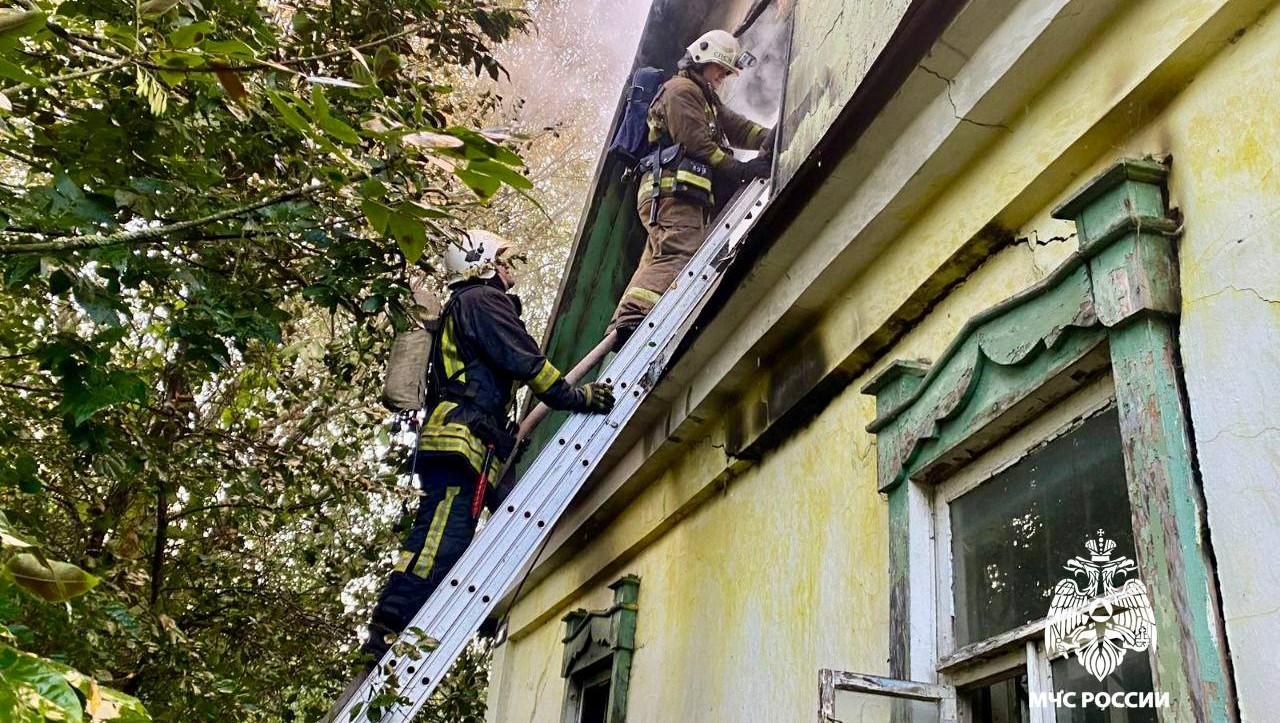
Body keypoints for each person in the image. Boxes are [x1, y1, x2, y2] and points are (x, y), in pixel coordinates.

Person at [360, 229, 615, 665]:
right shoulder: (482, 301)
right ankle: (390, 626)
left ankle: (473, 608)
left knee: (488, 523)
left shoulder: (468, 304)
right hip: (461, 440)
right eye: (502, 261)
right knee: (441, 535)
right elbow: (527, 362)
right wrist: (577, 397)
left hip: (475, 442)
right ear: (479, 263)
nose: (510, 271)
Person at [607, 29, 774, 345]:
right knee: (681, 249)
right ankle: (634, 319)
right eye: (720, 69)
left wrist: (768, 136)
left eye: (726, 73)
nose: (722, 77)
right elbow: (696, 142)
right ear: (702, 59)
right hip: (671, 191)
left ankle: (627, 320)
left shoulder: (704, 98)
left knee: (661, 254)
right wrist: (740, 169)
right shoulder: (680, 90)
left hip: (676, 194)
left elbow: (736, 127)